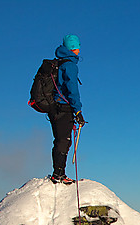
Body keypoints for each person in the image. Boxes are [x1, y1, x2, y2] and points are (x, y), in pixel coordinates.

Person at [48, 34, 86, 184]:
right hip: (63, 107)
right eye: (77, 47)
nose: (78, 50)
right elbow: (72, 89)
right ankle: (59, 175)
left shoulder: (59, 62)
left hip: (54, 107)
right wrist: (78, 110)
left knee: (59, 140)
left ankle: (58, 172)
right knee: (64, 141)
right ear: (73, 48)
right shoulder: (70, 65)